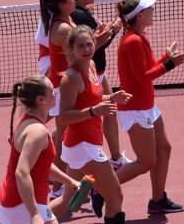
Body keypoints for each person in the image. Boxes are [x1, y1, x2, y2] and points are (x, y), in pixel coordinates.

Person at [115, 0, 184, 214]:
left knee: (164, 149)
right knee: (146, 161)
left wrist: (167, 56)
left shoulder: (141, 35)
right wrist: (170, 64)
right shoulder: (132, 41)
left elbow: (149, 66)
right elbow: (143, 75)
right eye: (149, 9)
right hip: (134, 109)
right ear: (139, 15)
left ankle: (157, 200)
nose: (153, 11)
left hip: (147, 105)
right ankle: (101, 188)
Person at [50, 25, 131, 224]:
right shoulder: (71, 78)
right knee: (115, 196)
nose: (86, 49)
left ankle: (28, 221)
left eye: (89, 44)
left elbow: (91, 97)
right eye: (80, 46)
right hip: (82, 146)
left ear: (95, 44)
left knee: (68, 200)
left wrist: (112, 96)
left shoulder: (92, 65)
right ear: (71, 49)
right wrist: (94, 111)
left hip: (83, 144)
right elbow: (64, 117)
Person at [66, 0, 131, 170]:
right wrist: (116, 27)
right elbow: (97, 43)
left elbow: (97, 37)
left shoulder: (84, 11)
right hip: (91, 72)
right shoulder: (80, 15)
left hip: (97, 70)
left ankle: (116, 158)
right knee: (66, 122)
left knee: (111, 110)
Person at [0, 75, 80, 224]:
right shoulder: (37, 131)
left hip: (16, 203)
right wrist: (34, 214)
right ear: (41, 100)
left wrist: (69, 180)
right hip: (23, 206)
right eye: (52, 91)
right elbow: (21, 173)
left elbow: (42, 163)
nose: (56, 92)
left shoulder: (29, 121)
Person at [39, 0, 76, 200]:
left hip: (62, 85)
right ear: (62, 4)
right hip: (63, 89)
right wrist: (99, 41)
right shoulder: (64, 29)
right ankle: (56, 190)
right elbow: (77, 59)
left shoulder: (65, 22)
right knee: (63, 138)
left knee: (63, 134)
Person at [35, 0, 76, 75]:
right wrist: (58, 47)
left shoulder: (62, 6)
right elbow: (40, 36)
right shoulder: (51, 5)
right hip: (49, 59)